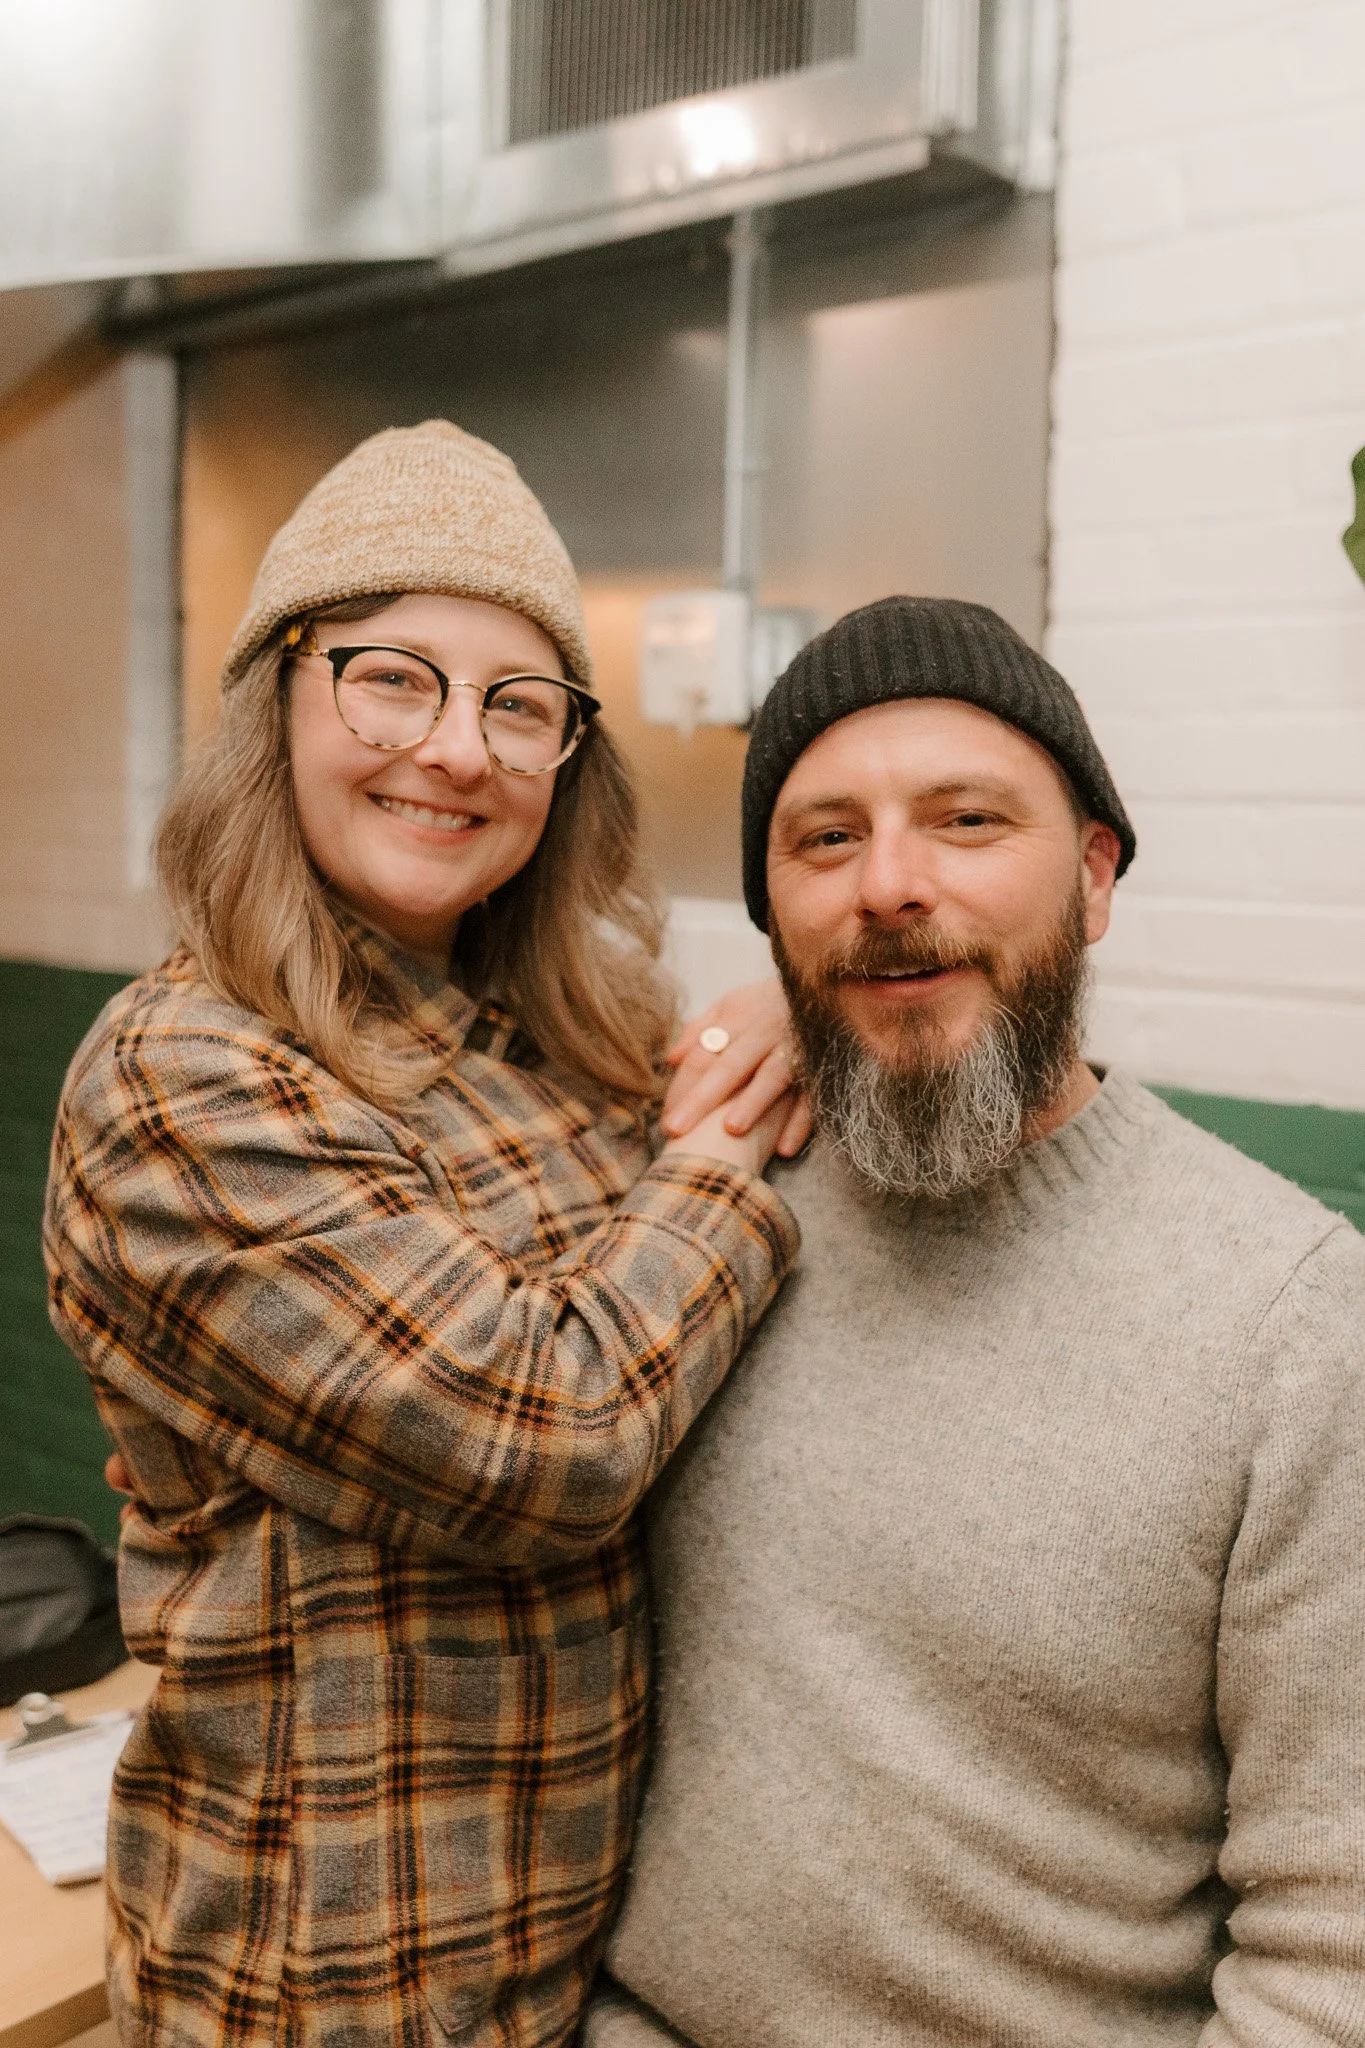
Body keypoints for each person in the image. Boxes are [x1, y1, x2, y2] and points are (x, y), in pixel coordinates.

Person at [43, 421, 806, 2048]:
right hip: (317, 1999)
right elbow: (553, 1437)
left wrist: (765, 1038)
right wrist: (725, 1166)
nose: (457, 750)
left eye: (519, 706)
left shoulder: (570, 1042)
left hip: (576, 1977)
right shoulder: (185, 1074)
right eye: (393, 677)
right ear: (281, 700)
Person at [587, 596, 1365, 2048]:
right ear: (770, 911)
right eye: (826, 840)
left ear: (1094, 876)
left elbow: (1337, 1950)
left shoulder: (1293, 1321)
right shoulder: (694, 1212)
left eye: (965, 822)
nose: (888, 884)